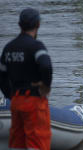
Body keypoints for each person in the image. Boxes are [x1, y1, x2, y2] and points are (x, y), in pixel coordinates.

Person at [0, 8, 52, 150]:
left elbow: (1, 75)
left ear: (19, 25)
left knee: (17, 143)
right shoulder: (36, 46)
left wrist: (9, 95)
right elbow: (46, 65)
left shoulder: (9, 48)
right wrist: (45, 86)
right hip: (34, 100)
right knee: (38, 142)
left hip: (16, 100)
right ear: (38, 24)